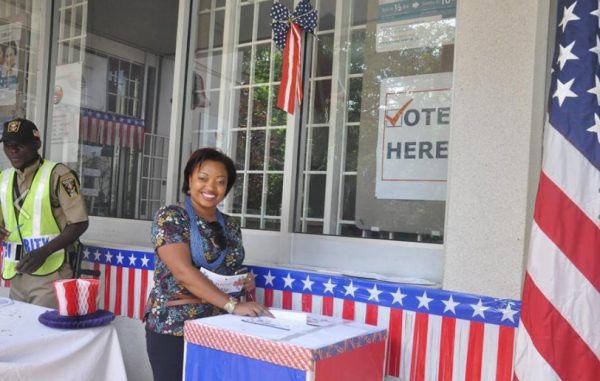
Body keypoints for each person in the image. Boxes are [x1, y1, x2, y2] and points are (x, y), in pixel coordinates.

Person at [144, 147, 272, 381]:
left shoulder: (230, 225)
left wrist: (242, 280)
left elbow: (225, 268)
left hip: (219, 324)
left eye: (220, 181)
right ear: (189, 179)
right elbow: (183, 272)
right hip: (175, 326)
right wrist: (234, 305)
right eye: (203, 178)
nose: (211, 187)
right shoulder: (171, 217)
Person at [0, 118, 89, 308]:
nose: (13, 150)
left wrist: (44, 252)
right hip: (17, 273)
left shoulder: (59, 175)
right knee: (20, 334)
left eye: (20, 145)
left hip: (52, 272)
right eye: (8, 145)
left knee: (47, 334)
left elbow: (79, 222)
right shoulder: (4, 178)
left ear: (37, 144)